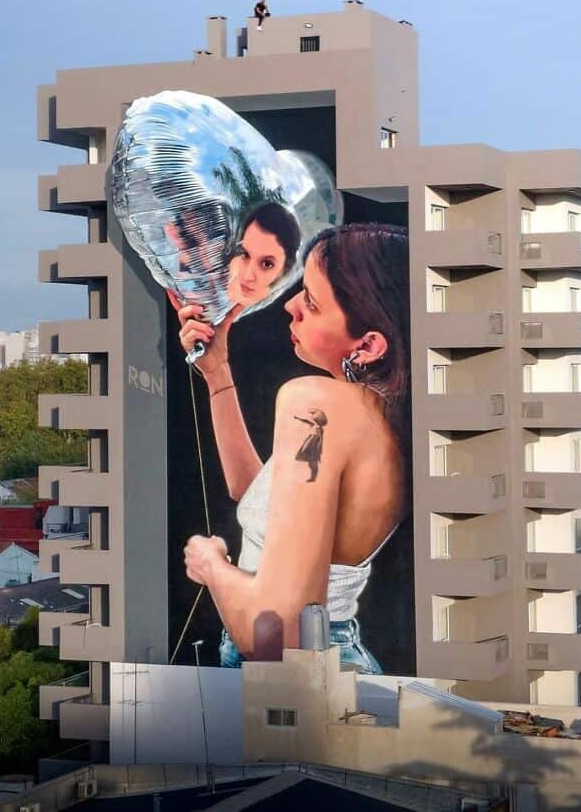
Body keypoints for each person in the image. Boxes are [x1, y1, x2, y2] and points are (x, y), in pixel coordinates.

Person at [177, 224, 410, 673]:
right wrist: (216, 373)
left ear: (367, 345)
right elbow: (263, 498)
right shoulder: (381, 415)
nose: (290, 305)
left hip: (295, 682)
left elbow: (275, 638)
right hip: (340, 665)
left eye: (312, 301)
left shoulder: (315, 403)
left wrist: (212, 567)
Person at [166, 201, 300, 312]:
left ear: (285, 268)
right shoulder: (228, 265)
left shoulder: (278, 310)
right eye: (245, 254)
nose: (247, 276)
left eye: (266, 264)